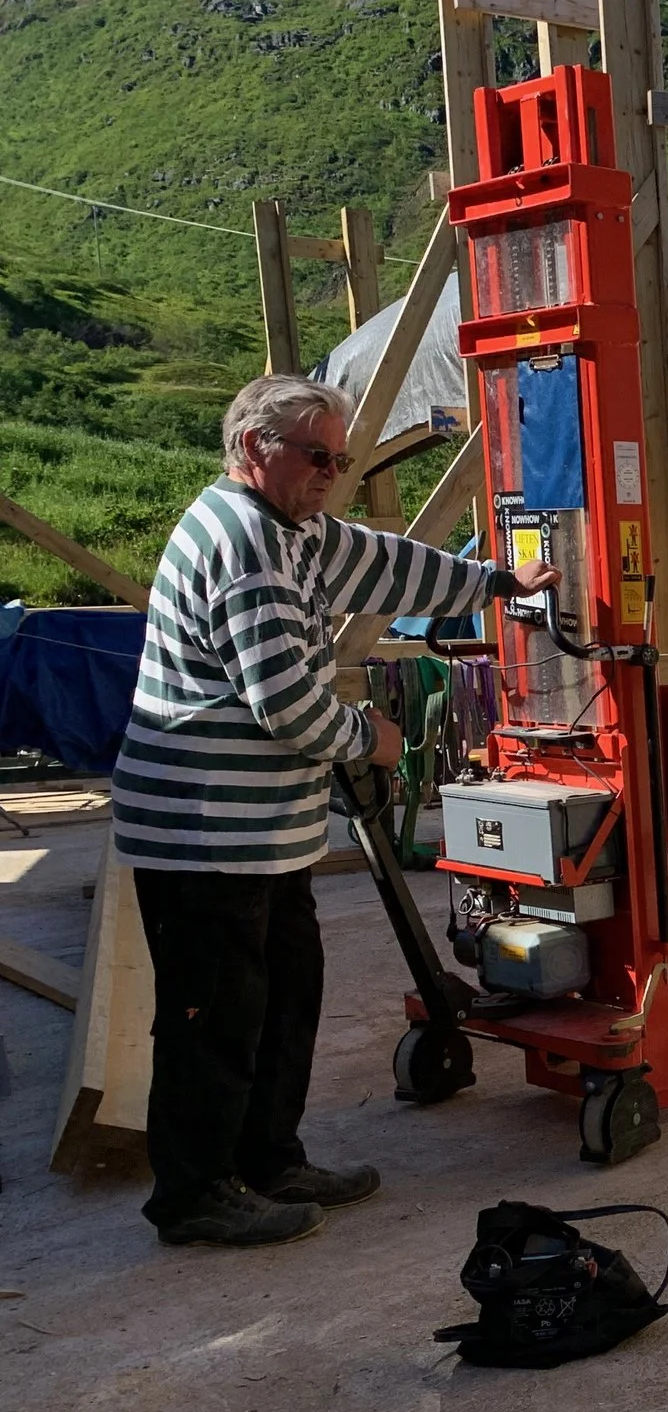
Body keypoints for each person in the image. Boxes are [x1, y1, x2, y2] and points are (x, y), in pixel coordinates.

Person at [110, 375, 558, 1249]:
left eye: (341, 460)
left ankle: (268, 1159)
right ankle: (195, 1194)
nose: (331, 474)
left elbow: (384, 562)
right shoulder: (246, 546)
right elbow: (286, 704)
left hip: (261, 831)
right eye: (318, 456)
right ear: (254, 448)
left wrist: (496, 580)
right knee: (215, 1016)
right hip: (205, 833)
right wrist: (372, 739)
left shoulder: (298, 527)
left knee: (285, 997)